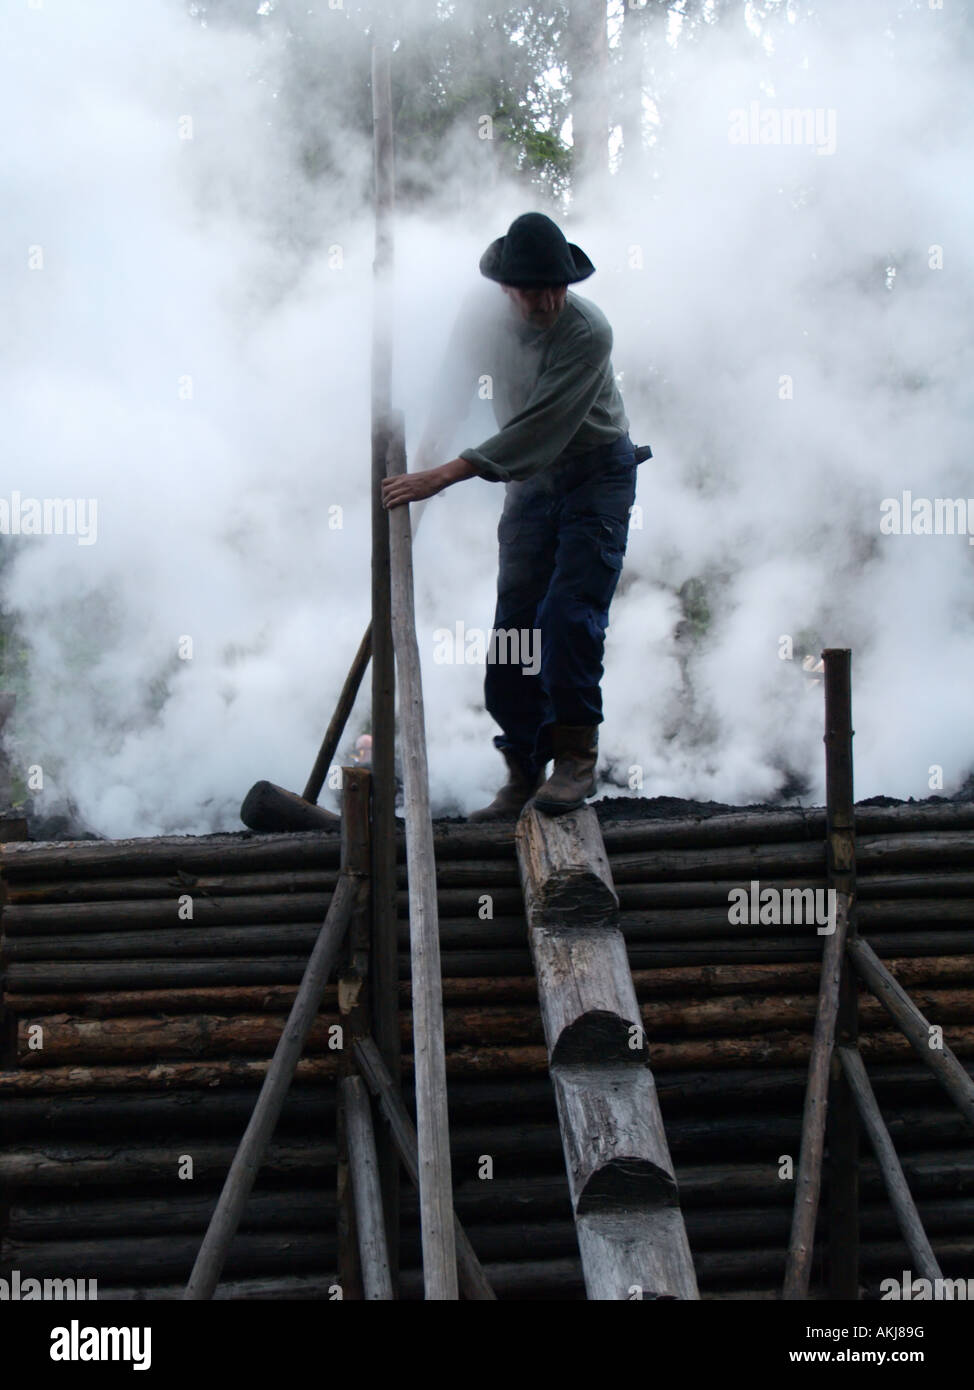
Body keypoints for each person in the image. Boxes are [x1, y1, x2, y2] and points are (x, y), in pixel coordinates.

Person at [381, 211, 642, 819]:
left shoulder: (588, 331)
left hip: (595, 477)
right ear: (506, 289)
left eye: (557, 287)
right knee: (514, 635)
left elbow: (539, 430)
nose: (548, 300)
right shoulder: (480, 321)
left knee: (567, 616)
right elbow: (449, 392)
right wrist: (419, 482)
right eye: (533, 290)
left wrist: (443, 476)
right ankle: (523, 770)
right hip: (530, 486)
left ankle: (574, 761)